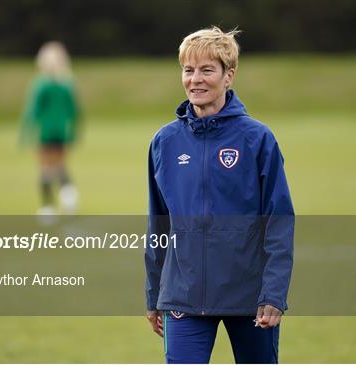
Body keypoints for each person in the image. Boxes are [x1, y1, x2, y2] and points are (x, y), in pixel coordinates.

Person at [145, 27, 294, 364]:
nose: (195, 79)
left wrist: (274, 293)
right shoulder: (164, 142)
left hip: (250, 296)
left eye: (206, 70)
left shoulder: (258, 139)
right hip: (182, 296)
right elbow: (158, 226)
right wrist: (155, 294)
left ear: (229, 75)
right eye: (188, 70)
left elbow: (279, 222)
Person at [20, 41, 80, 215]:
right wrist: (73, 133)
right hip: (61, 132)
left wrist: (26, 134)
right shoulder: (66, 84)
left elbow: (33, 111)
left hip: (46, 132)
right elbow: (74, 112)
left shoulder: (41, 84)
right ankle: (69, 199)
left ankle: (48, 206)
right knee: (60, 166)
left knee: (45, 169)